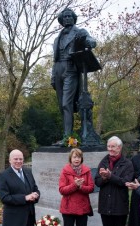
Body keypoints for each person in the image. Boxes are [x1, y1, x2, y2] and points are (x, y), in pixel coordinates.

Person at [51, 8, 96, 145]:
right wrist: (53, 75)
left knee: (67, 104)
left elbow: (90, 40)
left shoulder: (79, 32)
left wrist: (90, 43)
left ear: (74, 18)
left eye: (70, 16)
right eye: (65, 17)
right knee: (61, 106)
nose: (67, 18)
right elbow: (55, 59)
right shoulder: (57, 38)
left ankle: (67, 137)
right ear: (61, 20)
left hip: (71, 69)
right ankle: (67, 137)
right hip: (58, 69)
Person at [95, 136, 134, 226]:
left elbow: (126, 182)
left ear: (119, 147)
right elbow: (97, 182)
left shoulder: (127, 163)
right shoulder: (104, 161)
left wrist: (110, 176)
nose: (110, 149)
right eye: (108, 146)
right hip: (105, 206)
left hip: (120, 207)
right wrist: (104, 178)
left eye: (113, 146)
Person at [59, 148, 94, 226]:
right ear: (71, 158)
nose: (76, 159)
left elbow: (91, 188)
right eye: (74, 157)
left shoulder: (87, 171)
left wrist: (81, 186)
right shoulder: (65, 171)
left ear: (81, 159)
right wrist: (75, 185)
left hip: (82, 208)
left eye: (78, 157)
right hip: (68, 208)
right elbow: (62, 190)